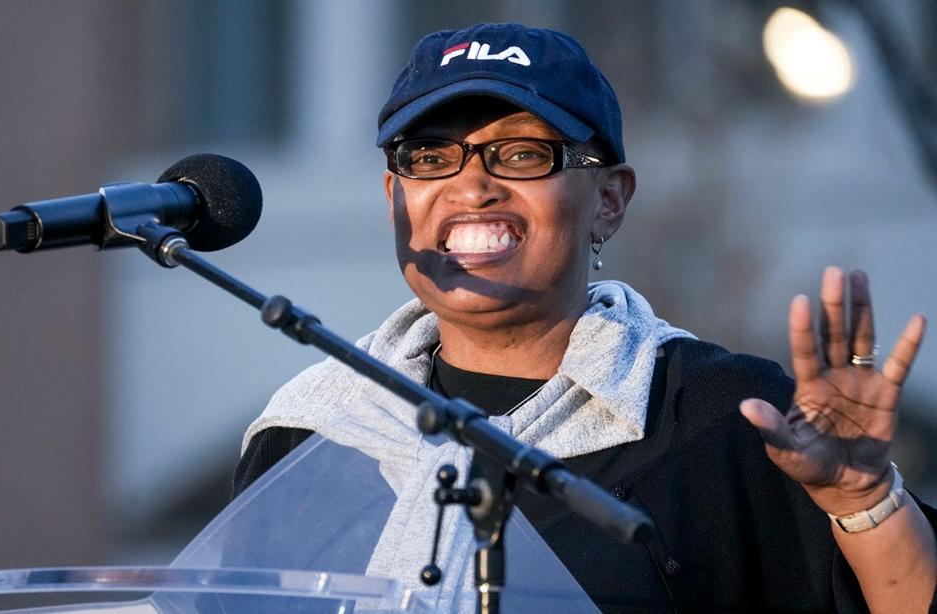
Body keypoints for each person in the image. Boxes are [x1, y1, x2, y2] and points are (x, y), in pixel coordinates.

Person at [234, 23, 937, 612]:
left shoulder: (726, 418)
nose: (471, 185)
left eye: (520, 154)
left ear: (607, 199)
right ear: (395, 194)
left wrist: (863, 499)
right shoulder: (310, 434)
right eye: (430, 156)